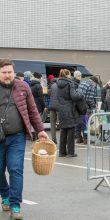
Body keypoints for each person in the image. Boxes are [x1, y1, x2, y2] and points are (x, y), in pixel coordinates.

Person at [0, 59, 49, 220]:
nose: (7, 75)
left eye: (10, 72)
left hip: (17, 136)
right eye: (4, 72)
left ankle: (15, 205)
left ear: (14, 72)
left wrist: (40, 130)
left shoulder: (23, 87)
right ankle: (5, 194)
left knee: (15, 169)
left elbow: (33, 110)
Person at [57, 69, 83, 157]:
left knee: (63, 131)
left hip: (61, 109)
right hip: (69, 109)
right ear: (68, 75)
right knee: (71, 131)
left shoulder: (57, 83)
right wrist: (80, 93)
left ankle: (61, 152)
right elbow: (74, 96)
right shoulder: (69, 83)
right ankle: (70, 152)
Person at [77, 76, 99, 144]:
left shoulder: (82, 83)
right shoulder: (91, 86)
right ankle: (86, 139)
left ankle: (78, 138)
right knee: (86, 123)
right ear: (94, 82)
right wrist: (94, 107)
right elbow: (90, 99)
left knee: (79, 123)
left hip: (77, 106)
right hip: (85, 107)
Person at [30, 72, 46, 140]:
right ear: (39, 78)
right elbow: (41, 98)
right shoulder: (38, 86)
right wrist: (44, 106)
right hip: (38, 106)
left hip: (31, 105)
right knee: (38, 121)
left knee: (33, 121)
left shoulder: (30, 85)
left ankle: (33, 136)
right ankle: (37, 136)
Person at [48, 75, 59, 144]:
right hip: (59, 107)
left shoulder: (51, 86)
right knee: (62, 124)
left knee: (52, 124)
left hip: (52, 106)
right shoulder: (59, 86)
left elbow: (49, 94)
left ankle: (53, 140)